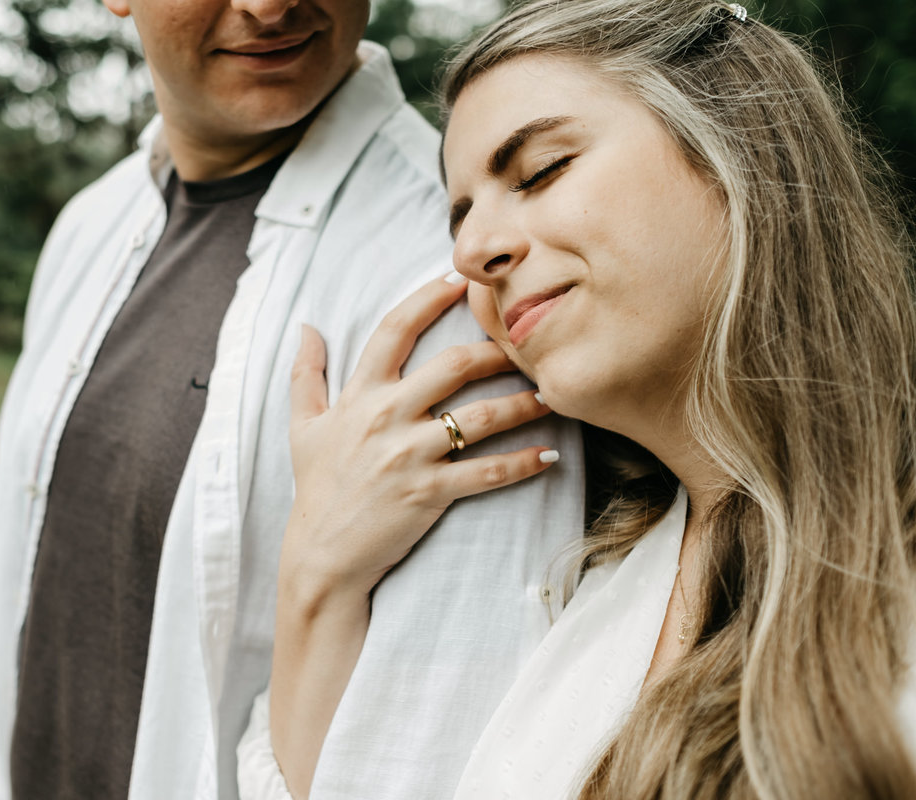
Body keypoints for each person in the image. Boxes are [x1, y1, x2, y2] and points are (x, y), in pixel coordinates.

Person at [238, 0, 916, 798]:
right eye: (460, 215)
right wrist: (317, 576)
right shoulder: (590, 579)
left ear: (738, 146)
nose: (470, 251)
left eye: (539, 171)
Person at [0, 1, 584, 798]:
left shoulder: (452, 275)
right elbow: (28, 589)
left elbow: (434, 746)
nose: (272, 4)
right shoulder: (91, 226)